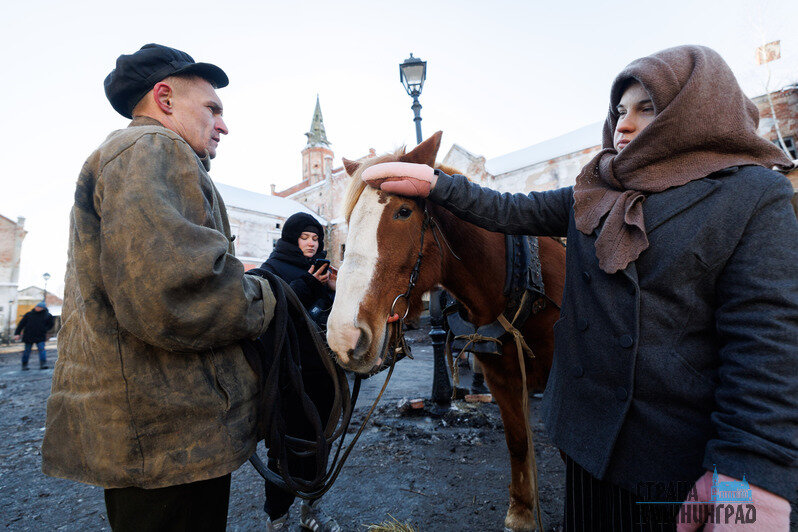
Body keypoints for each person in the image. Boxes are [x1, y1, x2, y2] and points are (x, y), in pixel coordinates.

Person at [362, 45, 797, 530]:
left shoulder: (753, 196)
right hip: (587, 443)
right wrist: (437, 184)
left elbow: (767, 349)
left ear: (696, 110)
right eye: (619, 111)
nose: (624, 125)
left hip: (676, 462)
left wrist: (747, 479)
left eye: (646, 108)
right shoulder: (596, 189)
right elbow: (510, 210)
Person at [41, 44, 277, 531]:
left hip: (158, 439)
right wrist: (269, 296)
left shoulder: (135, 155)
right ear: (165, 98)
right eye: (213, 108)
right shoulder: (152, 149)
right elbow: (177, 298)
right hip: (166, 438)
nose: (223, 125)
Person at [254, 212, 340, 531]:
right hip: (288, 380)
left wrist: (336, 287)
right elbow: (266, 315)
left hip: (324, 376)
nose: (311, 243)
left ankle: (312, 509)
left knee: (321, 444)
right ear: (291, 238)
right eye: (305, 237)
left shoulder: (322, 270)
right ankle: (278, 518)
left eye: (315, 237)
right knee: (285, 449)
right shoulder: (270, 270)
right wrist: (306, 285)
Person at [14, 301, 54, 370]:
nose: (37, 308)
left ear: (43, 308)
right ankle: (24, 365)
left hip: (40, 336)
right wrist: (17, 334)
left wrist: (44, 329)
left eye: (39, 307)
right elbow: (21, 324)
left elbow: (51, 324)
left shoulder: (47, 315)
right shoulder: (29, 314)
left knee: (42, 350)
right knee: (27, 351)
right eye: (37, 306)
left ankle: (43, 364)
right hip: (28, 336)